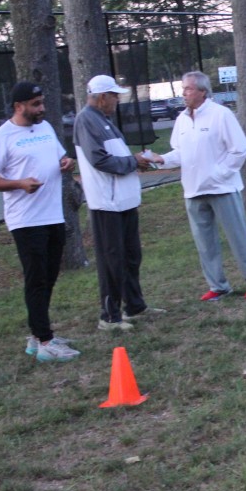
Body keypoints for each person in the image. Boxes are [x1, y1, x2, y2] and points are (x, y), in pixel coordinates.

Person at [146, 71, 246, 301]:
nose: (184, 93)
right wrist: (161, 159)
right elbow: (180, 152)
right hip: (193, 190)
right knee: (205, 243)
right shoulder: (182, 119)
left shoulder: (221, 114)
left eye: (188, 89)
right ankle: (218, 286)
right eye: (183, 89)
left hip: (222, 189)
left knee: (238, 237)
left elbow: (240, 149)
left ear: (203, 92)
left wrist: (219, 174)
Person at [0, 81, 80, 362]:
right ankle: (46, 342)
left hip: (53, 215)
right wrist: (19, 183)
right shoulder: (1, 137)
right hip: (26, 220)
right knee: (36, 280)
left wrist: (67, 163)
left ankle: (37, 336)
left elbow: (61, 157)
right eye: (36, 104)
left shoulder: (45, 128)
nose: (42, 108)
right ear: (18, 106)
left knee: (49, 276)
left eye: (42, 102)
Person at [74, 75, 163, 332]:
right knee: (111, 260)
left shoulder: (105, 121)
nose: (117, 100)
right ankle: (109, 315)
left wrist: (136, 161)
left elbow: (117, 156)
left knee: (131, 256)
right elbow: (99, 160)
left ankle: (134, 306)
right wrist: (133, 162)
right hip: (107, 204)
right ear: (102, 97)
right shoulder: (86, 120)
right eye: (114, 95)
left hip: (124, 201)